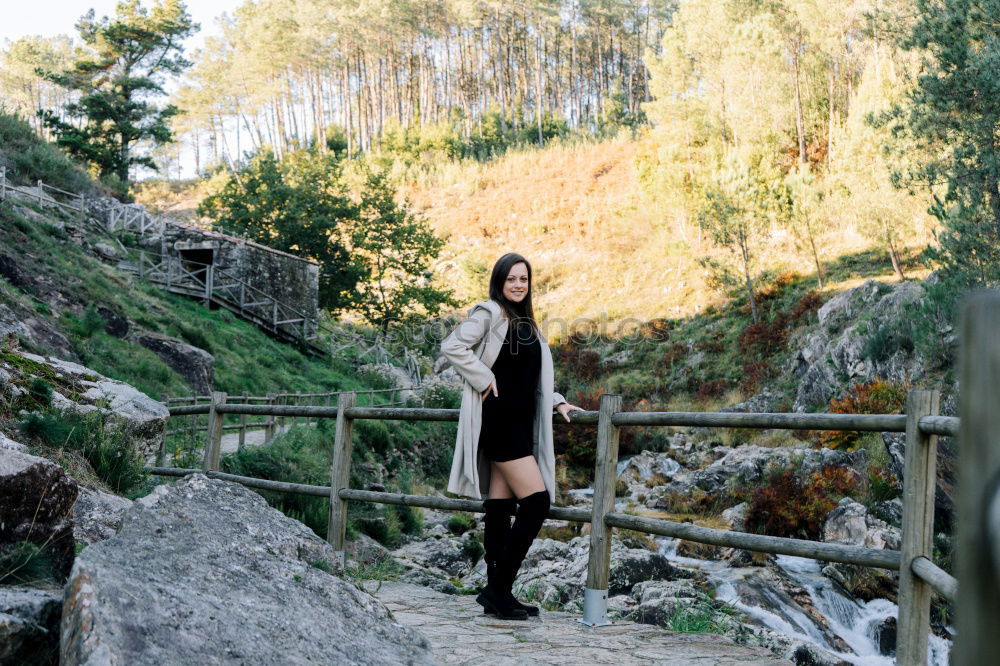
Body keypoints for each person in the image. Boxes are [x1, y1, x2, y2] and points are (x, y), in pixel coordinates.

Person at [440, 252, 582, 620]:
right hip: (499, 422)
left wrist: (557, 401)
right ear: (499, 282)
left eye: (524, 279)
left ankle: (499, 593)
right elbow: (452, 346)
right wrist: (484, 378)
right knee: (537, 503)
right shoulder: (489, 313)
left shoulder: (526, 323)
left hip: (518, 422)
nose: (519, 285)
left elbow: (527, 379)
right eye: (511, 279)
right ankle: (498, 587)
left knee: (500, 508)